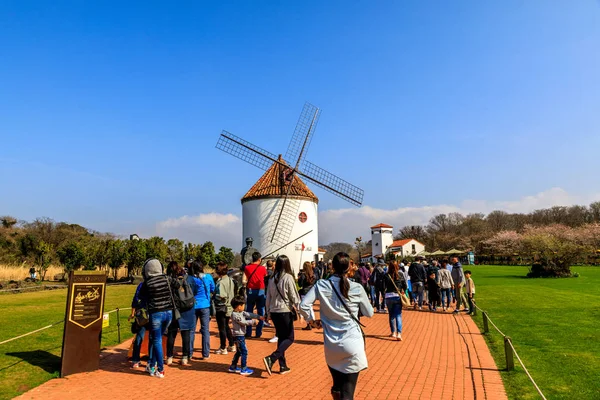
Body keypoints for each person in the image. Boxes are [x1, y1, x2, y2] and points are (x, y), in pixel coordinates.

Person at [299, 252, 374, 400]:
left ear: (332, 266)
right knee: (348, 392)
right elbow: (369, 312)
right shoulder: (356, 287)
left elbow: (303, 305)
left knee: (337, 386)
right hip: (352, 342)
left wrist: (312, 321)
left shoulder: (321, 285)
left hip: (332, 345)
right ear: (349, 267)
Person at [263, 255, 300, 376]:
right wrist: (300, 309)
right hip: (284, 310)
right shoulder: (288, 277)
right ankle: (272, 358)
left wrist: (268, 312)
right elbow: (294, 296)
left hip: (274, 311)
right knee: (289, 338)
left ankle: (282, 365)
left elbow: (268, 296)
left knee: (282, 337)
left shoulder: (271, 278)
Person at [140, 258, 174, 378]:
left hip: (156, 314)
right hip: (169, 313)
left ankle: (160, 369)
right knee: (157, 339)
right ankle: (151, 364)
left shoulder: (147, 283)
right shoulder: (167, 279)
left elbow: (141, 296)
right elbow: (176, 285)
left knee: (157, 340)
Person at [229, 295, 264, 376]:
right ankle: (243, 368)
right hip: (238, 336)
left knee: (239, 351)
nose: (244, 306)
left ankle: (233, 366)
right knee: (244, 351)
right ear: (238, 306)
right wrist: (253, 322)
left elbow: (249, 314)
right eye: (243, 305)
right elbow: (243, 322)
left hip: (240, 336)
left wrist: (259, 317)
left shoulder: (241, 312)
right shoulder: (235, 315)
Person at [190, 261, 215, 359]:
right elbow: (213, 288)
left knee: (191, 330)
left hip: (194, 305)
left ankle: (189, 353)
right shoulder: (208, 277)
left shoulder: (191, 279)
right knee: (205, 330)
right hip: (205, 305)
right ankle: (206, 353)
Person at [214, 261, 236, 355]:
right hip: (230, 307)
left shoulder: (221, 282)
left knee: (222, 328)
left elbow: (222, 296)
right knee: (226, 326)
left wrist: (214, 296)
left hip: (222, 307)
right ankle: (231, 344)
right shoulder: (230, 280)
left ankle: (223, 347)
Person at [244, 251, 267, 338]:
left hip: (250, 290)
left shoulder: (247, 267)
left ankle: (248, 332)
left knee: (249, 311)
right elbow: (264, 275)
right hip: (260, 290)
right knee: (261, 311)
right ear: (259, 259)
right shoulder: (262, 268)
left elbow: (247, 274)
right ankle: (258, 332)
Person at [129, 279, 151, 368]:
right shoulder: (155, 284)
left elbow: (135, 298)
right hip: (153, 312)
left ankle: (135, 360)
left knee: (139, 336)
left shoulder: (141, 285)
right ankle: (151, 361)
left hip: (142, 313)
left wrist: (133, 313)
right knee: (154, 338)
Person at [383, 261, 407, 340]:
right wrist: (402, 290)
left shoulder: (386, 275)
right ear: (398, 267)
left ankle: (393, 332)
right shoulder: (400, 275)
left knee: (391, 315)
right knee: (398, 315)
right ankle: (399, 333)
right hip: (397, 296)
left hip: (388, 296)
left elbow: (383, 286)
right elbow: (405, 285)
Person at [298, 261, 316, 330]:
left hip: (305, 292)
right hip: (311, 292)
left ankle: (309, 323)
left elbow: (300, 285)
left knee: (305, 308)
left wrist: (299, 278)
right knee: (310, 308)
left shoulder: (303, 275)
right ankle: (313, 322)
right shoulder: (313, 275)